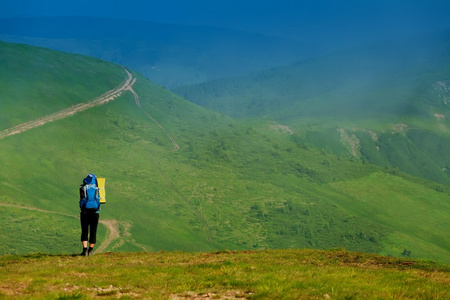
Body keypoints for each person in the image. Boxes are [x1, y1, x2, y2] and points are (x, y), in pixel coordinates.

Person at [79, 173, 101, 256]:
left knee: (84, 231)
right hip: (95, 212)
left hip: (84, 212)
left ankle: (84, 250)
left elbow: (81, 200)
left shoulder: (82, 188)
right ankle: (90, 250)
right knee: (93, 231)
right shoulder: (97, 188)